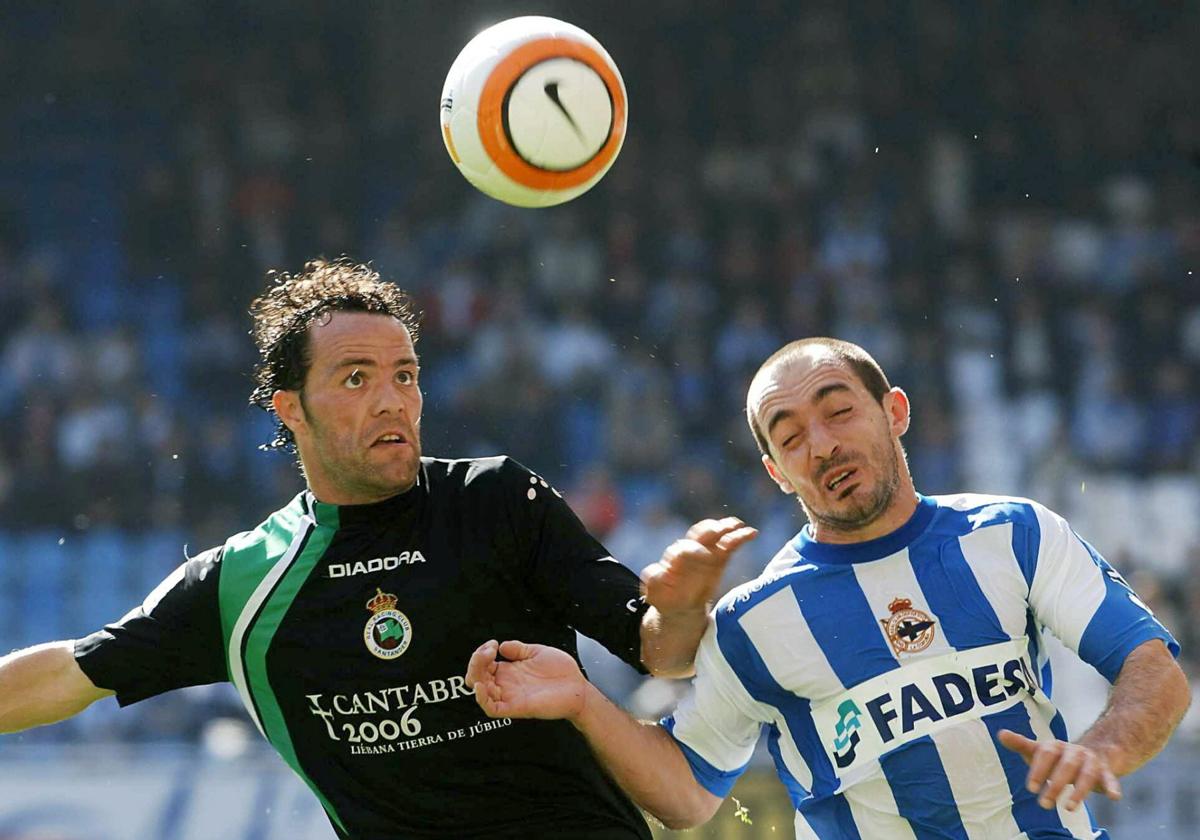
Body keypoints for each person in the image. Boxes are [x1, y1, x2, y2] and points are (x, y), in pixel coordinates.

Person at [0, 259, 757, 840]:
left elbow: (660, 653)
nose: (393, 399)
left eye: (406, 375)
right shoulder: (242, 583)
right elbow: (69, 675)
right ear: (289, 409)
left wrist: (682, 603)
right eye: (356, 378)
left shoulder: (495, 501)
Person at [466, 337, 1191, 839]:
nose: (821, 444)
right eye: (789, 436)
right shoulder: (755, 621)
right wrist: (585, 702)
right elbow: (686, 791)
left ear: (895, 411)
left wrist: (1101, 747)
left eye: (838, 410)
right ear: (778, 472)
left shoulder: (1014, 534)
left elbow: (1153, 669)